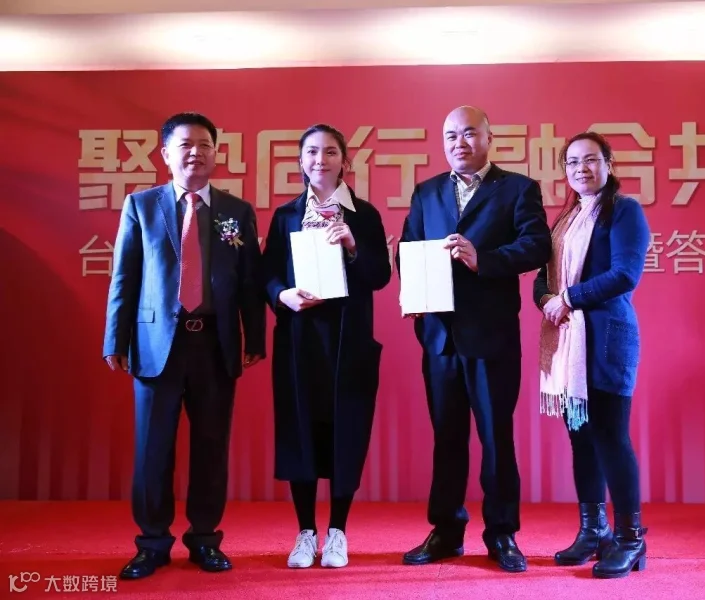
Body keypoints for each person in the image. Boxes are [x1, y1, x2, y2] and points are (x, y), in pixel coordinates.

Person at [102, 112, 266, 579]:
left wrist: (254, 337)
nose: (196, 152)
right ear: (165, 154)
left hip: (215, 344)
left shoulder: (236, 211)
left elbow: (250, 281)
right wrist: (115, 338)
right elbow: (124, 276)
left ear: (216, 153)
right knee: (152, 451)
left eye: (205, 145)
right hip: (156, 346)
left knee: (211, 448)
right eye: (185, 145)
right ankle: (152, 542)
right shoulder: (142, 205)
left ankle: (205, 539)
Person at [399, 106, 551, 573]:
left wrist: (481, 258)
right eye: (450, 135)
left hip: (491, 336)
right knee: (447, 438)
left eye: (468, 133)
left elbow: (536, 245)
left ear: (488, 138)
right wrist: (415, 290)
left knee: (495, 438)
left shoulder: (518, 188)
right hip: (439, 336)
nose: (459, 143)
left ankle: (502, 533)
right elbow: (409, 249)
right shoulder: (426, 192)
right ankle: (446, 530)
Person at [261, 124, 391, 569]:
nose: (321, 160)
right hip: (299, 340)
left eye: (330, 152)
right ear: (301, 161)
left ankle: (337, 531)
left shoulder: (364, 214)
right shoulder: (286, 215)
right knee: (300, 432)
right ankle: (305, 532)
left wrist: (353, 246)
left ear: (344, 161)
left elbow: (380, 276)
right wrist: (283, 295)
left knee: (345, 433)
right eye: (312, 152)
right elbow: (267, 273)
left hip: (348, 342)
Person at [533, 131, 650, 578]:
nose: (581, 169)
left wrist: (568, 298)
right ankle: (594, 530)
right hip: (568, 344)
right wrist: (548, 299)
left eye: (590, 160)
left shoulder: (624, 210)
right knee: (581, 438)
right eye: (572, 162)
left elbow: (625, 274)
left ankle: (630, 538)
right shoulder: (565, 220)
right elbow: (542, 279)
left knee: (610, 437)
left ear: (608, 164)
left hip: (606, 341)